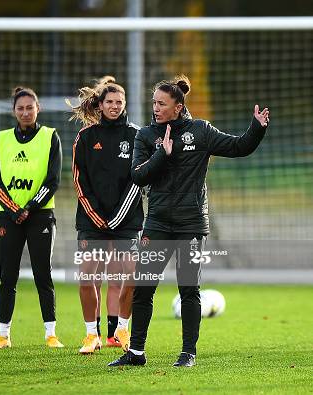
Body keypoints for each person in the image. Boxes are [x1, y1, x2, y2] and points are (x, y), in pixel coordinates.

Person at [109, 75, 269, 368]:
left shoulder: (200, 131)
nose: (155, 108)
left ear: (178, 107)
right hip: (156, 223)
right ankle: (136, 353)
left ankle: (188, 354)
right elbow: (139, 175)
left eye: (162, 103)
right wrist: (162, 154)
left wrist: (256, 128)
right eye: (154, 103)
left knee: (189, 290)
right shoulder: (145, 135)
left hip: (191, 225)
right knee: (143, 288)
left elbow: (239, 147)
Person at [70, 77, 143, 354]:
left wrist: (118, 216)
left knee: (132, 275)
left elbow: (139, 179)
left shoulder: (136, 135)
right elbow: (79, 179)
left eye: (119, 102)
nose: (114, 106)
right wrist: (95, 214)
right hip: (91, 221)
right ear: (100, 105)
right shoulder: (86, 137)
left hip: (127, 221)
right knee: (88, 277)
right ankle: (92, 335)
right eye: (110, 102)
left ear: (124, 105)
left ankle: (122, 329)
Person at [0, 87, 64, 349]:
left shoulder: (50, 137)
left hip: (40, 215)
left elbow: (53, 180)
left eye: (30, 107)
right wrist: (13, 209)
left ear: (38, 108)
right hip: (8, 217)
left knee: (43, 274)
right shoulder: (1, 139)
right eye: (20, 108)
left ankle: (50, 334)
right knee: (7, 276)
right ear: (13, 111)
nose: (25, 112)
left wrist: (29, 207)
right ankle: (3, 334)